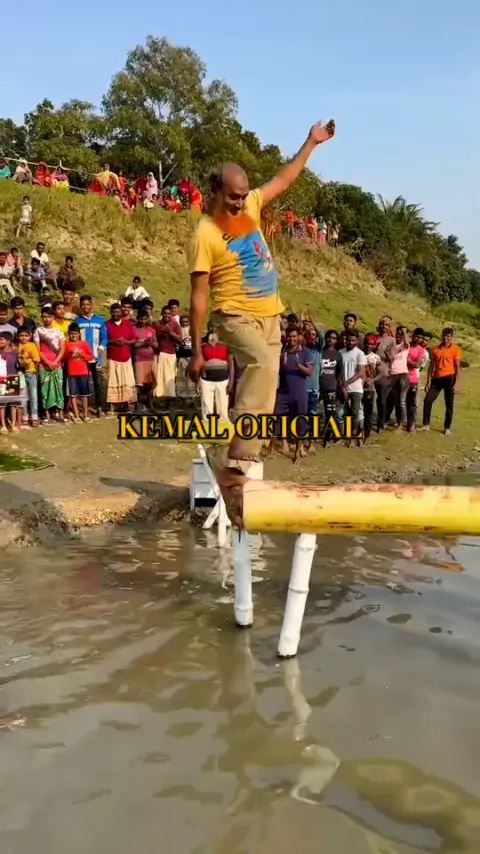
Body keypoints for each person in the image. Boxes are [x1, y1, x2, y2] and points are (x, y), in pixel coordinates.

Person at [188, 118, 335, 505]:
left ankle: (231, 455)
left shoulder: (252, 204)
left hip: (271, 316)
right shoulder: (205, 233)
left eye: (242, 196)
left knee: (267, 389)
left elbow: (284, 179)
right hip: (234, 314)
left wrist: (311, 142)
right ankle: (237, 461)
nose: (239, 202)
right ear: (216, 191)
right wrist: (197, 351)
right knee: (263, 366)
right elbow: (198, 296)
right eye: (232, 197)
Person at [271, 326, 313, 461]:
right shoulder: (283, 351)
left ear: (299, 337)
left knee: (299, 421)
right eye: (289, 336)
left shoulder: (305, 352)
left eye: (294, 336)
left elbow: (309, 372)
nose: (291, 339)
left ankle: (297, 453)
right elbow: (278, 370)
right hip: (283, 392)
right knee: (276, 418)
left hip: (299, 392)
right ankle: (271, 450)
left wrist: (298, 365)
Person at [422, 327, 461, 436]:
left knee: (449, 403)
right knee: (428, 400)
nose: (445, 338)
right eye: (444, 335)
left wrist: (457, 383)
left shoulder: (455, 349)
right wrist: (428, 381)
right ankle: (426, 424)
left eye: (448, 336)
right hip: (437, 378)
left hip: (449, 377)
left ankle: (447, 427)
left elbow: (457, 367)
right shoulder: (435, 349)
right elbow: (431, 366)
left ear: (451, 338)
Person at [77, 295, 107, 417]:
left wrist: (101, 347)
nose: (85, 307)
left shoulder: (99, 320)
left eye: (87, 304)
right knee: (84, 383)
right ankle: (85, 407)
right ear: (80, 306)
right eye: (83, 305)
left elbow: (104, 337)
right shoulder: (77, 321)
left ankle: (99, 407)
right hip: (83, 358)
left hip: (96, 357)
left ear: (91, 305)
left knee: (98, 383)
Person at [33, 307, 66, 422]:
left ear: (53, 317)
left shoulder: (58, 332)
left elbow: (62, 349)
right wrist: (47, 361)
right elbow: (37, 349)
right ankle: (47, 413)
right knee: (45, 389)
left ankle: (60, 412)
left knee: (58, 388)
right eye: (44, 317)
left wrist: (55, 362)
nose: (47, 319)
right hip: (44, 364)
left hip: (57, 364)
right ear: (41, 317)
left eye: (49, 316)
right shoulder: (38, 331)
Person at [105, 303, 136, 412]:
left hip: (126, 357)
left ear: (121, 312)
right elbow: (104, 340)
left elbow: (133, 339)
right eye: (113, 312)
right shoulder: (107, 324)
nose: (115, 314)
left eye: (117, 312)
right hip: (113, 357)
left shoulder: (127, 324)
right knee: (113, 381)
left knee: (127, 381)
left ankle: (128, 404)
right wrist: (114, 341)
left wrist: (126, 342)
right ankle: (113, 405)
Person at [199, 325, 232, 421]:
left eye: (215, 327)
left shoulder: (226, 345)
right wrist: (198, 381)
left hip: (223, 379)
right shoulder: (202, 345)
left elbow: (231, 364)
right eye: (211, 327)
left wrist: (231, 381)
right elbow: (199, 362)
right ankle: (207, 425)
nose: (213, 329)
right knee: (206, 406)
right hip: (206, 380)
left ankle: (223, 426)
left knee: (223, 406)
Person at [339, 329, 366, 443]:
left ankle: (353, 435)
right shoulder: (340, 353)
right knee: (341, 412)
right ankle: (341, 435)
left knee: (354, 412)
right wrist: (342, 387)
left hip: (356, 389)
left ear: (357, 340)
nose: (350, 342)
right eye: (348, 340)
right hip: (342, 388)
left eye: (353, 340)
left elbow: (360, 373)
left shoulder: (360, 353)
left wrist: (345, 383)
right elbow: (338, 372)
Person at [64, 323, 95, 422]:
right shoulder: (66, 344)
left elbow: (91, 356)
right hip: (71, 373)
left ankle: (85, 414)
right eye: (72, 334)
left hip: (83, 372)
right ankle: (76, 415)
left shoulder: (84, 344)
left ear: (79, 334)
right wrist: (69, 355)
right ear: (69, 334)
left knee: (84, 395)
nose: (74, 336)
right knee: (73, 395)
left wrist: (82, 355)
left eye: (76, 333)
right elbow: (63, 357)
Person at [154, 305, 182, 403]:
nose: (167, 315)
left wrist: (170, 332)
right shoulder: (156, 324)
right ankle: (158, 398)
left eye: (169, 314)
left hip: (171, 353)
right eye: (165, 313)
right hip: (159, 353)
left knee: (170, 376)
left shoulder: (175, 324)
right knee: (159, 376)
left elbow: (180, 338)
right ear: (162, 313)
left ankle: (169, 400)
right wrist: (161, 334)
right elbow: (152, 336)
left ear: (171, 315)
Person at [320, 329, 343, 445]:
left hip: (331, 388)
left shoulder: (338, 355)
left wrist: (336, 386)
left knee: (330, 413)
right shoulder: (320, 352)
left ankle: (327, 437)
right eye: (329, 337)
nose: (330, 340)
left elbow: (339, 373)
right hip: (318, 387)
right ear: (325, 338)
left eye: (333, 338)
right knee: (311, 412)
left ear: (336, 340)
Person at [132, 308, 157, 411]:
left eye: (145, 319)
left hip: (150, 359)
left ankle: (151, 405)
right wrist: (143, 343)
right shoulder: (133, 329)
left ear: (147, 319)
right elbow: (132, 344)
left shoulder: (151, 330)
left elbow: (156, 345)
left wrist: (150, 343)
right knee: (139, 384)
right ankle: (138, 406)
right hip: (139, 358)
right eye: (141, 319)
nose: (143, 321)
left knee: (150, 384)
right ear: (137, 318)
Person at [385, 326, 410, 431]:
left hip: (402, 375)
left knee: (401, 401)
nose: (399, 335)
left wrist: (404, 332)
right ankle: (389, 419)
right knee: (391, 400)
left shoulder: (404, 346)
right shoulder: (392, 346)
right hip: (392, 375)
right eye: (398, 333)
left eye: (401, 334)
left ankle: (400, 423)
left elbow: (407, 342)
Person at [17, 328, 41, 427]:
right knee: (23, 396)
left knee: (33, 396)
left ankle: (34, 417)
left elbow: (36, 360)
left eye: (26, 335)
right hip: (20, 374)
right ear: (18, 336)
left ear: (30, 336)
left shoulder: (32, 345)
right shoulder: (16, 346)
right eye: (21, 335)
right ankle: (25, 417)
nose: (24, 338)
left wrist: (33, 370)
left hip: (31, 373)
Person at [0, 331, 22, 433]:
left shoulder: (15, 352)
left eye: (1, 339)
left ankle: (13, 425)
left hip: (13, 379)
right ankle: (3, 426)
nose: (0, 341)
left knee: (13, 404)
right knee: (2, 404)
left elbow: (20, 366)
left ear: (9, 341)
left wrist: (22, 360)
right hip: (1, 379)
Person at [406, 328, 426, 433]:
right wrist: (410, 361)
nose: (418, 339)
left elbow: (417, 364)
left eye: (421, 338)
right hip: (401, 376)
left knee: (411, 403)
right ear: (413, 336)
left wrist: (406, 360)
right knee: (399, 401)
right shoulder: (406, 346)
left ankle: (411, 424)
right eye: (417, 336)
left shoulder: (421, 350)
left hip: (412, 378)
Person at [175, 315, 197, 405]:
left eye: (186, 322)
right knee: (182, 378)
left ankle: (193, 398)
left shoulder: (192, 330)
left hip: (191, 357)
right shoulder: (178, 330)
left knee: (192, 378)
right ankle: (184, 399)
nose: (184, 323)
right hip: (182, 357)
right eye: (182, 322)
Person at [363, 333, 380, 443]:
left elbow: (382, 373)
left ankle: (367, 435)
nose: (368, 346)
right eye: (366, 343)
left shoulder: (376, 358)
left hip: (369, 388)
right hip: (357, 388)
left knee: (368, 413)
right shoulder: (359, 354)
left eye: (370, 344)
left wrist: (372, 380)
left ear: (374, 345)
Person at [304, 327, 322, 417]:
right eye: (309, 334)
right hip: (303, 386)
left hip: (314, 387)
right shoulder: (302, 350)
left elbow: (322, 336)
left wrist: (312, 322)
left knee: (312, 413)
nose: (311, 336)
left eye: (313, 334)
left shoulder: (318, 350)